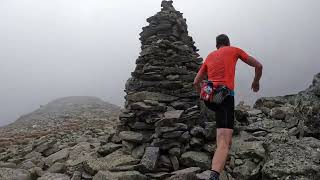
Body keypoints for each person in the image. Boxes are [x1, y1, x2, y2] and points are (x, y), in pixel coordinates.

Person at [193, 34, 263, 180]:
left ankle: (222, 158)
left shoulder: (210, 56)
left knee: (223, 137)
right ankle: (214, 175)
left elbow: (196, 82)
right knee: (224, 140)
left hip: (210, 98)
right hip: (225, 97)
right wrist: (256, 82)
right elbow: (258, 65)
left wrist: (203, 94)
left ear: (217, 45)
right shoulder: (234, 50)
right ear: (228, 43)